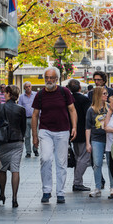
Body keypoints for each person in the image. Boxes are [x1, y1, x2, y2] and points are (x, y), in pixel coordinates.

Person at [32, 67, 77, 204]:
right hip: (45, 131)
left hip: (63, 131)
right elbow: (35, 115)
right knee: (45, 158)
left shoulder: (64, 92)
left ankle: (60, 193)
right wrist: (34, 135)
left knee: (61, 162)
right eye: (47, 77)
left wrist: (74, 127)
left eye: (52, 78)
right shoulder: (40, 95)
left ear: (57, 79)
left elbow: (72, 110)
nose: (49, 80)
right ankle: (46, 191)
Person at [0, 85, 26, 208]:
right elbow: (23, 127)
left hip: (2, 142)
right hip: (17, 141)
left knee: (2, 169)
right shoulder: (21, 109)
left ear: (8, 93)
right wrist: (21, 137)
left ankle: (2, 194)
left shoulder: (0, 107)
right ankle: (14, 198)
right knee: (15, 169)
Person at [86, 87, 113, 197]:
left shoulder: (110, 108)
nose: (106, 95)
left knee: (110, 163)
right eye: (104, 94)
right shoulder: (91, 110)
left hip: (109, 138)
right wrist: (88, 143)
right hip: (96, 139)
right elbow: (88, 127)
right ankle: (97, 187)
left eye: (106, 93)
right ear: (98, 95)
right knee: (97, 163)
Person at [67, 79, 92, 192]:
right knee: (85, 158)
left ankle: (78, 182)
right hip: (82, 131)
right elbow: (88, 116)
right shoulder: (84, 99)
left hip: (71, 132)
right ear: (80, 88)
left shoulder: (68, 99)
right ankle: (77, 182)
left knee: (78, 157)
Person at [18, 81, 38, 158]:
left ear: (31, 87)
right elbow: (19, 108)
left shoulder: (35, 95)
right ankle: (28, 152)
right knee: (27, 136)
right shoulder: (22, 97)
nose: (28, 88)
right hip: (25, 119)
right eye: (26, 87)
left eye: (29, 86)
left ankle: (35, 149)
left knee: (35, 134)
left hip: (35, 118)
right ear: (24, 88)